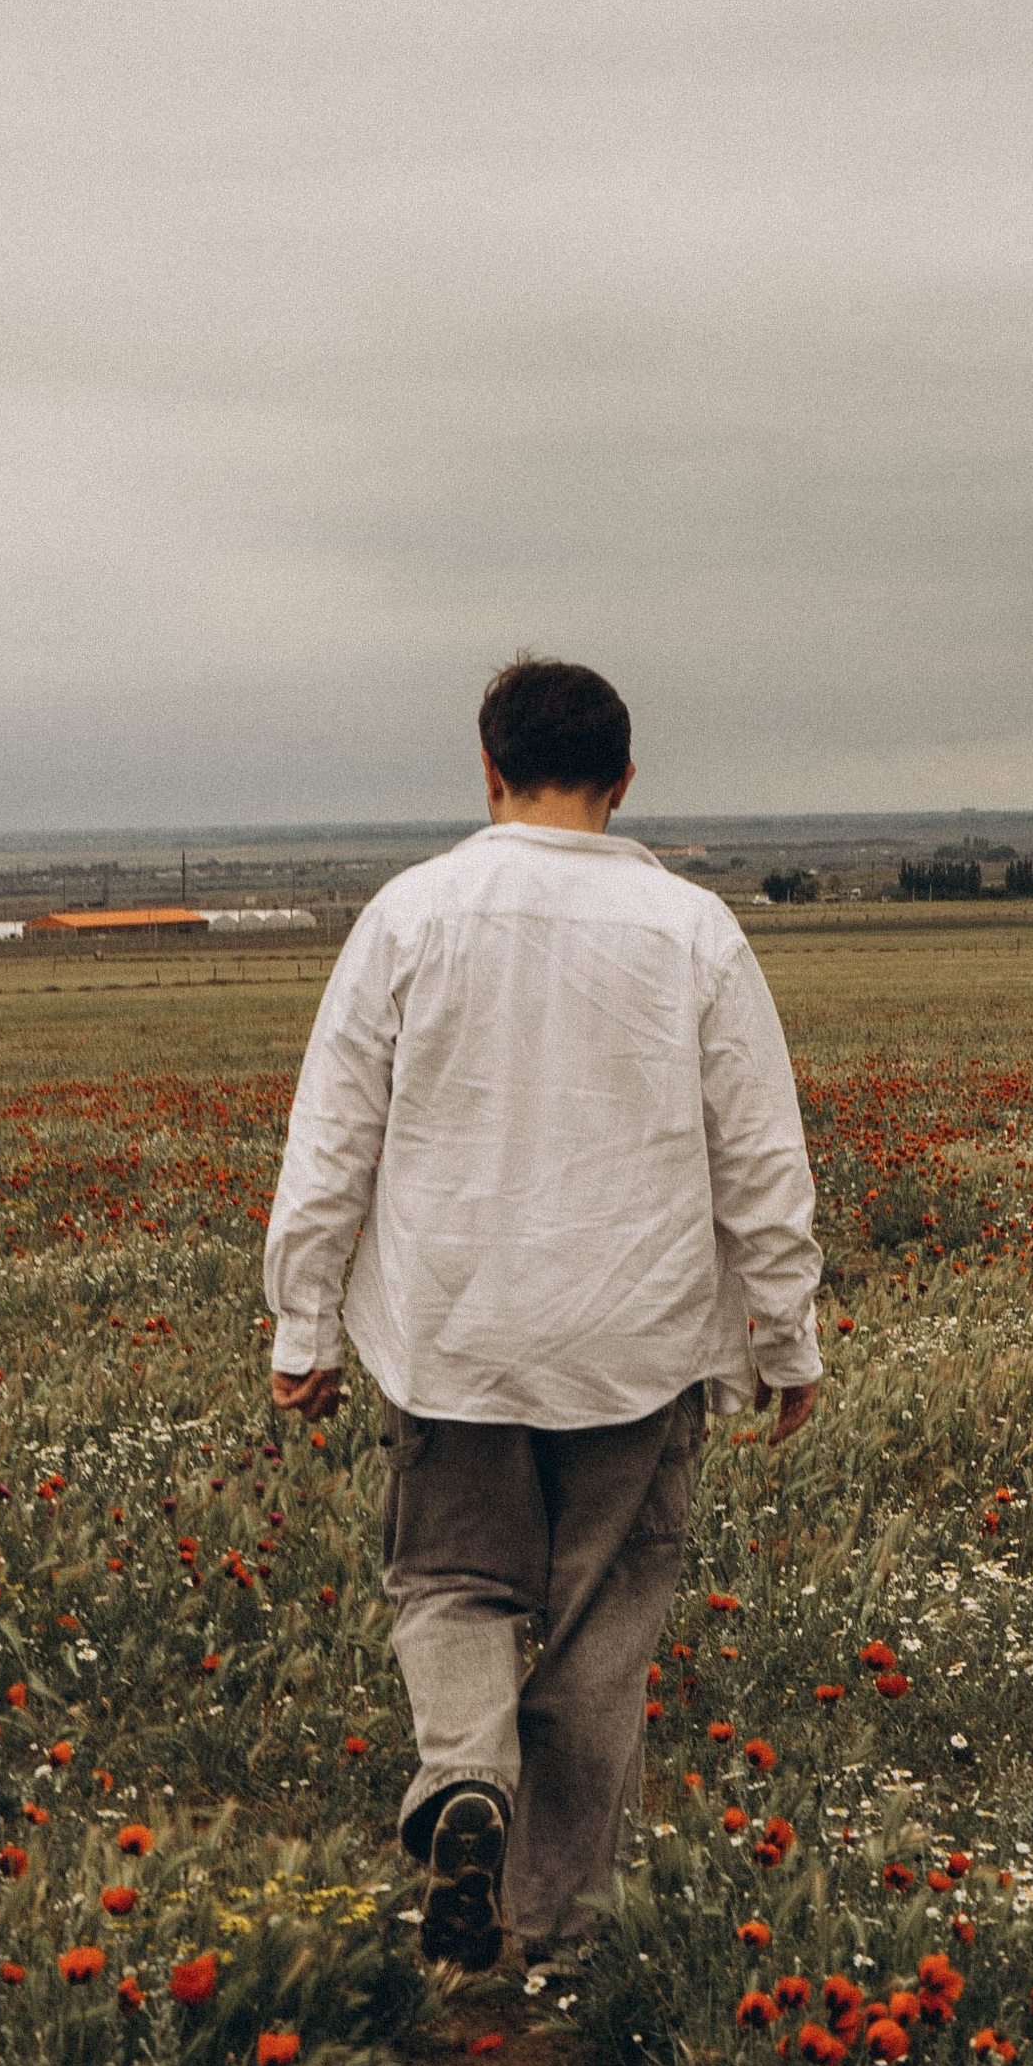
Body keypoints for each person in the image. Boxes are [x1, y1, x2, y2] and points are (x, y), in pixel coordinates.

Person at [263, 658, 822, 1969]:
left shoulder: (409, 916)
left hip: (452, 1335)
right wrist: (785, 1332)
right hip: (638, 1340)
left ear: (488, 768)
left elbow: (331, 1143)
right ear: (623, 780)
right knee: (599, 1632)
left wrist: (304, 1325)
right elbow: (760, 1157)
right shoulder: (694, 930)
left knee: (449, 1582)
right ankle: (561, 1935)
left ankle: (467, 1776)